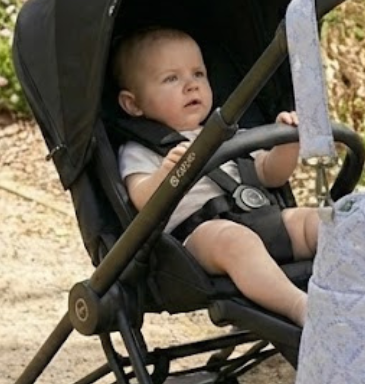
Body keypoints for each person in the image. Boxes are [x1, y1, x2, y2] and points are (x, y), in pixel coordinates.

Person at [114, 27, 317, 325]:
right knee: (233, 240)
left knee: (315, 221)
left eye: (198, 74)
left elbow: (269, 175)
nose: (191, 86)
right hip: (196, 239)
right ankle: (299, 306)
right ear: (133, 103)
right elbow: (142, 200)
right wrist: (166, 175)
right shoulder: (140, 149)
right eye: (172, 78)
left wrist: (286, 145)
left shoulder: (228, 134)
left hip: (257, 218)